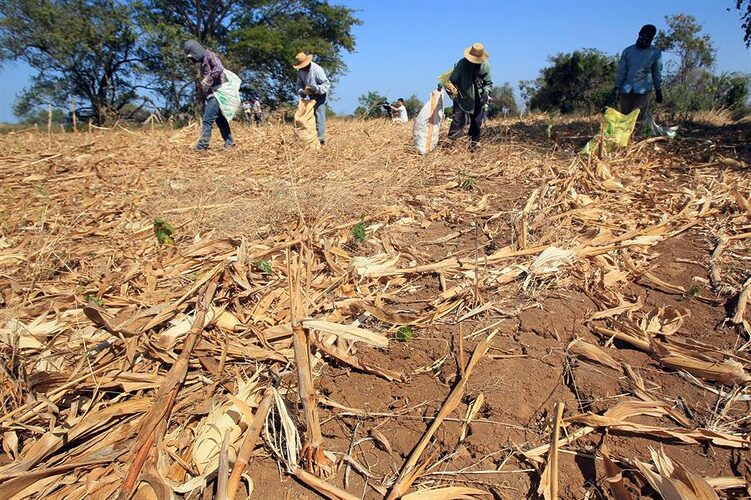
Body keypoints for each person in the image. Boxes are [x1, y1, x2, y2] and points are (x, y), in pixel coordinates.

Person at [183, 40, 235, 151]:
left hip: (218, 93)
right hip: (212, 94)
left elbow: (219, 68)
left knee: (207, 120)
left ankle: (202, 146)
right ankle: (230, 143)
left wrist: (208, 78)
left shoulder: (210, 55)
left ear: (196, 51)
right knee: (221, 121)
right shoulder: (202, 62)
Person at [614, 24, 663, 126]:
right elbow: (621, 71)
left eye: (647, 40)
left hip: (643, 91)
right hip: (627, 89)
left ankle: (637, 138)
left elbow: (657, 73)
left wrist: (658, 90)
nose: (644, 41)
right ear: (639, 35)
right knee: (624, 117)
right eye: (642, 38)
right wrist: (616, 87)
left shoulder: (655, 53)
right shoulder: (628, 51)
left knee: (639, 119)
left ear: (652, 39)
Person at [448, 43, 492, 146]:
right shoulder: (462, 64)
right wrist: (456, 93)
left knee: (476, 123)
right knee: (457, 121)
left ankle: (473, 146)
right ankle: (452, 145)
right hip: (461, 98)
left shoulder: (486, 67)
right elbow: (453, 80)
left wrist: (485, 93)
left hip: (478, 99)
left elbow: (488, 83)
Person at [293, 51, 330, 145]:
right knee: (310, 117)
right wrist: (301, 91)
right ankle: (310, 139)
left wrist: (316, 88)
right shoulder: (300, 72)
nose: (302, 68)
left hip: (321, 94)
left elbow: (326, 84)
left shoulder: (317, 69)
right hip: (310, 96)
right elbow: (299, 84)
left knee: (319, 116)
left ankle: (320, 140)